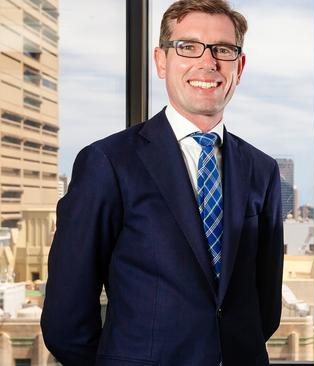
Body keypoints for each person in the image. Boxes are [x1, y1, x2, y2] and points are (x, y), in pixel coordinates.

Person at [41, 1, 284, 365]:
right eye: (188, 47)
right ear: (161, 60)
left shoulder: (262, 171)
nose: (208, 62)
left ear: (239, 66)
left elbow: (264, 305)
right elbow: (66, 316)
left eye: (223, 49)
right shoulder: (108, 163)